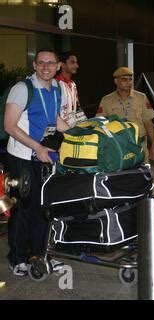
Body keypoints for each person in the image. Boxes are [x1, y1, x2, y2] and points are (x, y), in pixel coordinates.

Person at [4, 48, 70, 276]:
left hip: (44, 157)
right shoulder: (22, 89)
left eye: (50, 63)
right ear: (34, 66)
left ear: (58, 66)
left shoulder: (58, 88)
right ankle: (18, 258)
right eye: (40, 63)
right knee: (24, 208)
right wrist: (37, 147)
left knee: (44, 207)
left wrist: (81, 132)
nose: (45, 67)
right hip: (22, 157)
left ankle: (40, 254)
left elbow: (56, 121)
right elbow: (9, 125)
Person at [97, 67, 154, 162]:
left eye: (130, 80)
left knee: (141, 175)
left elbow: (148, 123)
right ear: (116, 81)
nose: (128, 83)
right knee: (121, 176)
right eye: (124, 80)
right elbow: (100, 124)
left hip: (139, 146)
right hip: (117, 148)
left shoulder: (141, 97)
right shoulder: (107, 100)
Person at [55, 51, 87, 127]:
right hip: (60, 130)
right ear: (62, 64)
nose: (77, 65)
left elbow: (77, 108)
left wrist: (85, 125)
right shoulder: (55, 84)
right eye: (72, 62)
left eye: (76, 62)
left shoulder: (73, 84)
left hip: (73, 129)